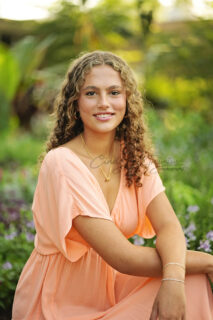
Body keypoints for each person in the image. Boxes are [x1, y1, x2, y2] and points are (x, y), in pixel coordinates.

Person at [12, 51, 213, 320]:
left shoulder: (134, 160)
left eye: (114, 92)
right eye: (91, 93)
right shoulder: (61, 163)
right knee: (193, 273)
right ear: (75, 102)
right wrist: (209, 262)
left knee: (193, 282)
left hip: (110, 290)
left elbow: (169, 227)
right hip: (59, 303)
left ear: (127, 100)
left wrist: (174, 279)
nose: (104, 103)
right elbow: (123, 257)